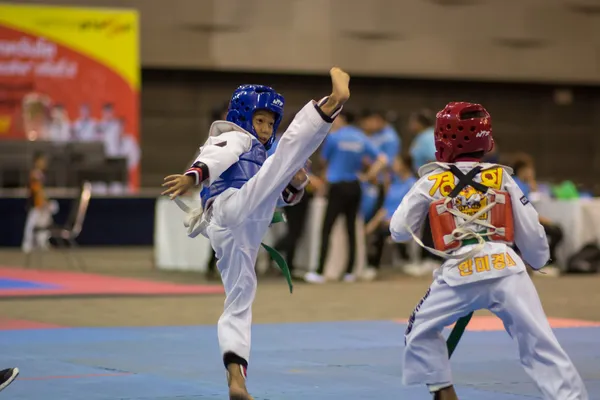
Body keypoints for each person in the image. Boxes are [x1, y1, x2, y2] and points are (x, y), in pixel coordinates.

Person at [161, 67, 351, 400]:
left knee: (239, 301)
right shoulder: (235, 136)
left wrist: (295, 183)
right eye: (258, 120)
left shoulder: (261, 154)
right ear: (242, 116)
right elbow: (215, 157)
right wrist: (192, 178)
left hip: (240, 233)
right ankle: (332, 103)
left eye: (268, 123)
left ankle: (236, 377)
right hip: (229, 207)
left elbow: (278, 197)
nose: (263, 129)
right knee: (285, 158)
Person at [389, 102, 588, 400]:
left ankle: (442, 389)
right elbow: (532, 230)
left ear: (441, 139)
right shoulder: (502, 178)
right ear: (487, 140)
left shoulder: (431, 181)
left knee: (419, 332)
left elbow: (398, 230)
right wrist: (537, 260)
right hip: (507, 268)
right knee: (540, 343)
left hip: (459, 274)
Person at [304, 111, 387, 284]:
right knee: (351, 229)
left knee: (327, 229)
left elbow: (324, 162)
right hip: (355, 186)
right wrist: (368, 175)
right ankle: (349, 272)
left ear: (342, 119)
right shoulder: (361, 138)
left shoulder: (334, 137)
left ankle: (319, 271)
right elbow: (382, 159)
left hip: (337, 187)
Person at [363, 153, 417, 280]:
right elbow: (385, 208)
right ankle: (372, 266)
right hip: (386, 220)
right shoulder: (394, 184)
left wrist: (394, 219)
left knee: (384, 231)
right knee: (374, 230)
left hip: (404, 221)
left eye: (397, 162)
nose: (394, 165)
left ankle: (406, 260)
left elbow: (412, 208)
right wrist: (371, 224)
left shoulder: (412, 184)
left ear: (404, 165)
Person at [513, 159, 563, 275]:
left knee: (554, 230)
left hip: (527, 220)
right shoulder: (516, 185)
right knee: (557, 232)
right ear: (522, 170)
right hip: (522, 222)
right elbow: (523, 210)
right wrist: (543, 220)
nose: (532, 172)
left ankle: (542, 262)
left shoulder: (524, 185)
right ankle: (544, 263)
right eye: (530, 170)